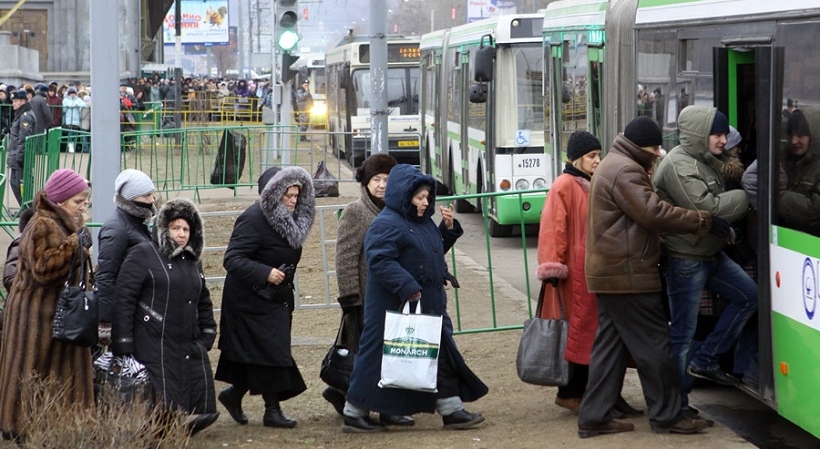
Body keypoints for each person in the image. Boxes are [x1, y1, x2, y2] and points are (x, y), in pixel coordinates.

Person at [578, 116, 714, 438]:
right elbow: (653, 212)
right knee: (656, 347)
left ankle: (594, 416)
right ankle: (668, 416)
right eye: (654, 148)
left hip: (610, 273)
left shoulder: (613, 162)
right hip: (627, 274)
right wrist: (699, 220)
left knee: (609, 349)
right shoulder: (625, 170)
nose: (657, 153)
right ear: (641, 147)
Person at [342, 164, 488, 433]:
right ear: (404, 195)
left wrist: (447, 228)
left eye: (427, 198)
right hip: (394, 307)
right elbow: (380, 261)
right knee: (377, 359)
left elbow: (429, 251)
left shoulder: (418, 222)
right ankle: (354, 412)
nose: (425, 202)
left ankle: (451, 409)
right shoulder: (386, 224)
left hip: (425, 303)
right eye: (420, 198)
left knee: (440, 355)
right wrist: (408, 287)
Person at [653, 107, 757, 415]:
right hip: (686, 258)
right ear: (700, 134)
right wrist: (747, 194)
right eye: (718, 134)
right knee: (683, 334)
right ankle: (675, 407)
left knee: (749, 297)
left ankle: (706, 359)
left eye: (725, 134)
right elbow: (708, 207)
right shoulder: (678, 164)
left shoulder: (704, 159)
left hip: (709, 253)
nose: (724, 140)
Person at [536, 131, 643, 418]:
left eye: (598, 155)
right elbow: (552, 227)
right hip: (574, 276)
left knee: (597, 338)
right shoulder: (565, 185)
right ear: (576, 158)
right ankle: (572, 393)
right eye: (591, 156)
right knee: (582, 337)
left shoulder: (589, 182)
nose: (597, 161)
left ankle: (602, 393)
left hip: (592, 271)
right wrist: (553, 267)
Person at [215, 166, 315, 429]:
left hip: (275, 297)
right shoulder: (254, 219)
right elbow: (232, 259)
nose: (293, 201)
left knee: (262, 353)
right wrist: (266, 273)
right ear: (273, 195)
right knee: (271, 353)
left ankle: (234, 394)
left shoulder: (289, 219)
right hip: (250, 300)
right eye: (288, 196)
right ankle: (272, 410)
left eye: (296, 195)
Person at [111, 198, 219, 436]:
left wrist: (208, 332)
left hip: (186, 340)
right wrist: (124, 342)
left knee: (198, 400)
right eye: (175, 227)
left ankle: (173, 429)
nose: (181, 234)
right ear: (163, 228)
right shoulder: (143, 254)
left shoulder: (192, 261)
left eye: (186, 229)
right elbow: (124, 298)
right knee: (161, 397)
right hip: (152, 340)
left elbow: (202, 298)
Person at [0, 169, 93, 438]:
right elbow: (44, 269)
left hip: (55, 317)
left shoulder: (61, 222)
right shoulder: (43, 224)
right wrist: (75, 244)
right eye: (78, 201)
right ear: (61, 201)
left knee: (54, 378)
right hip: (37, 321)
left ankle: (60, 427)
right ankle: (25, 426)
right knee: (36, 377)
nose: (83, 205)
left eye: (85, 200)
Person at [323, 154, 414, 426]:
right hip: (365, 298)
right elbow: (345, 256)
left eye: (387, 179)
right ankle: (352, 399)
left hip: (393, 297)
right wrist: (350, 298)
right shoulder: (357, 212)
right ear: (366, 181)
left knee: (391, 353)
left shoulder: (399, 210)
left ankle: (383, 406)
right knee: (367, 355)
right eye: (377, 179)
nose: (382, 185)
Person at [96, 169, 157, 345]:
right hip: (127, 309)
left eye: (152, 194)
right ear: (131, 198)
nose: (152, 201)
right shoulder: (116, 229)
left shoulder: (138, 223)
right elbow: (106, 276)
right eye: (146, 196)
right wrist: (106, 322)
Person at [778, 108, 820, 236]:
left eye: (800, 135)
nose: (794, 141)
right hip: (785, 236)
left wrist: (774, 198)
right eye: (791, 135)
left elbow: (816, 208)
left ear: (814, 136)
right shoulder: (785, 160)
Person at [7, 89, 36, 207]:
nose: (14, 103)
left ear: (23, 101)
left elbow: (24, 139)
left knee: (20, 184)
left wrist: (20, 156)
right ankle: (24, 208)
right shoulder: (20, 115)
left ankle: (26, 209)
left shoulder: (25, 116)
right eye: (13, 101)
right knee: (16, 183)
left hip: (20, 157)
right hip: (16, 155)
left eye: (16, 101)